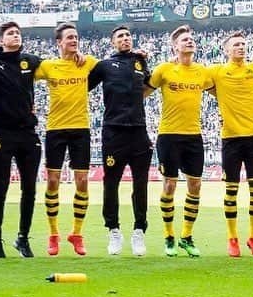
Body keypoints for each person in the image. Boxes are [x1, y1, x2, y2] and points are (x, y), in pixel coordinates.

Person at [0, 21, 42, 258]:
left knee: (30, 189)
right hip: (2, 133)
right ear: (1, 40)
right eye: (10, 33)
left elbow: (56, 68)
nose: (16, 36)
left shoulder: (31, 61)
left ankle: (23, 238)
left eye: (18, 33)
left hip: (28, 133)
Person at [205, 31, 253, 258]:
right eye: (236, 45)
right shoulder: (217, 71)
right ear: (226, 50)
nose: (241, 47)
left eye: (243, 44)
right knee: (231, 190)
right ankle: (232, 238)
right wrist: (221, 98)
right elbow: (198, 81)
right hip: (231, 139)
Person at [88, 26, 152, 257]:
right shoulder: (104, 65)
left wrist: (143, 58)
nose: (125, 39)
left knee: (141, 184)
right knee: (111, 184)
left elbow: (147, 86)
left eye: (128, 36)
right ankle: (113, 230)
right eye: (120, 37)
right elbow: (82, 86)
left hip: (139, 131)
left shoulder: (139, 62)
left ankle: (139, 231)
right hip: (113, 132)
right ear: (112, 42)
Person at [147, 25, 211, 257]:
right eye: (184, 39)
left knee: (195, 186)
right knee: (170, 186)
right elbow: (143, 91)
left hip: (193, 135)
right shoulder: (164, 70)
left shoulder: (202, 72)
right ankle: (169, 236)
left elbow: (222, 89)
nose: (189, 42)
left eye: (191, 39)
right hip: (169, 135)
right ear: (175, 46)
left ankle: (186, 236)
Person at [34, 23, 96, 256]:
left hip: (81, 128)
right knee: (52, 181)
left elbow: (111, 68)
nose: (74, 40)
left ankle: (76, 234)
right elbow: (23, 75)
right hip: (56, 129)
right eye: (69, 37)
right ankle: (53, 234)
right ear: (59, 42)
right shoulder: (48, 66)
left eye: (76, 37)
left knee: (82, 182)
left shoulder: (87, 62)